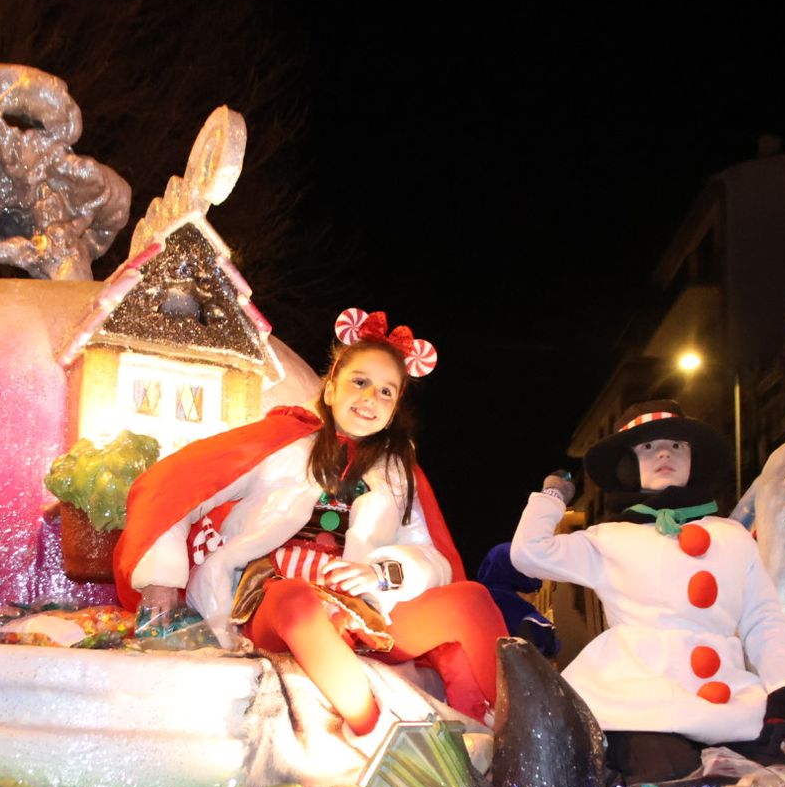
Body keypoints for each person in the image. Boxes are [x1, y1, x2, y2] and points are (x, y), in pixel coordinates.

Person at [115, 308, 505, 744]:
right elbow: (175, 483)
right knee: (297, 602)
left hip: (360, 607)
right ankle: (379, 735)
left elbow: (434, 557)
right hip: (271, 598)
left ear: (395, 410)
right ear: (333, 381)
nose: (370, 398)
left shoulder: (399, 473)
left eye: (386, 392)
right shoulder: (279, 442)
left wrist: (380, 572)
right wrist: (164, 577)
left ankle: (520, 733)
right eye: (360, 381)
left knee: (471, 599)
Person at [511, 399, 785, 784]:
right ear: (627, 465)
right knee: (669, 781)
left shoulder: (734, 536)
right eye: (648, 447)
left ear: (693, 459)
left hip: (728, 706)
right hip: (638, 703)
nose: (665, 452)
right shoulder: (610, 539)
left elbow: (764, 622)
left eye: (677, 445)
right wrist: (552, 498)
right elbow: (528, 554)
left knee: (766, 785)